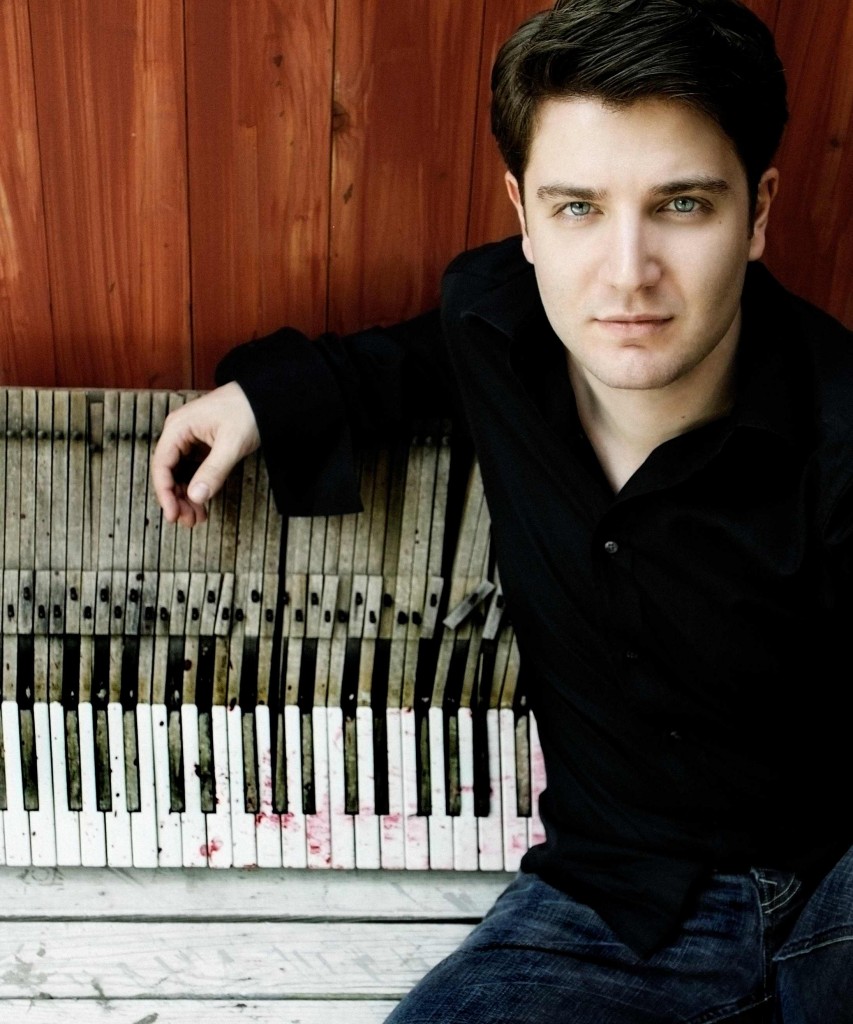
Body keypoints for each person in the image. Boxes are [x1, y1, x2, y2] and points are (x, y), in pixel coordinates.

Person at [151, 0, 853, 1019]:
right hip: (612, 897)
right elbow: (399, 363)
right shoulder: (492, 323)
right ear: (522, 214)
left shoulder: (839, 427)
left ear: (757, 212)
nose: (626, 273)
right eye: (578, 208)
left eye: (682, 205)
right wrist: (261, 400)